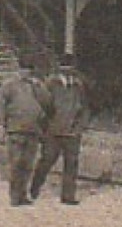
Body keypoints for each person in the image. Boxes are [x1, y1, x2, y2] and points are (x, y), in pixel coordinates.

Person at [30, 54, 90, 205]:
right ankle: (35, 187)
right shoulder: (51, 84)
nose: (68, 72)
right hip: (53, 131)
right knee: (47, 160)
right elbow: (43, 106)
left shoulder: (78, 85)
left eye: (70, 68)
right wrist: (44, 127)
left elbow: (84, 107)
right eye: (64, 68)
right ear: (59, 69)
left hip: (72, 132)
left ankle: (68, 196)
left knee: (71, 164)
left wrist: (81, 125)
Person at [0, 56, 52, 207]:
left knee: (28, 164)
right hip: (15, 129)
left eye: (29, 70)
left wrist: (40, 87)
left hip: (33, 130)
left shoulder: (37, 86)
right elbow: (1, 106)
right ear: (18, 69)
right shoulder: (10, 85)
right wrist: (0, 126)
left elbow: (47, 102)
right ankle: (14, 196)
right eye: (24, 69)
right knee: (16, 163)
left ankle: (23, 194)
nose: (26, 73)